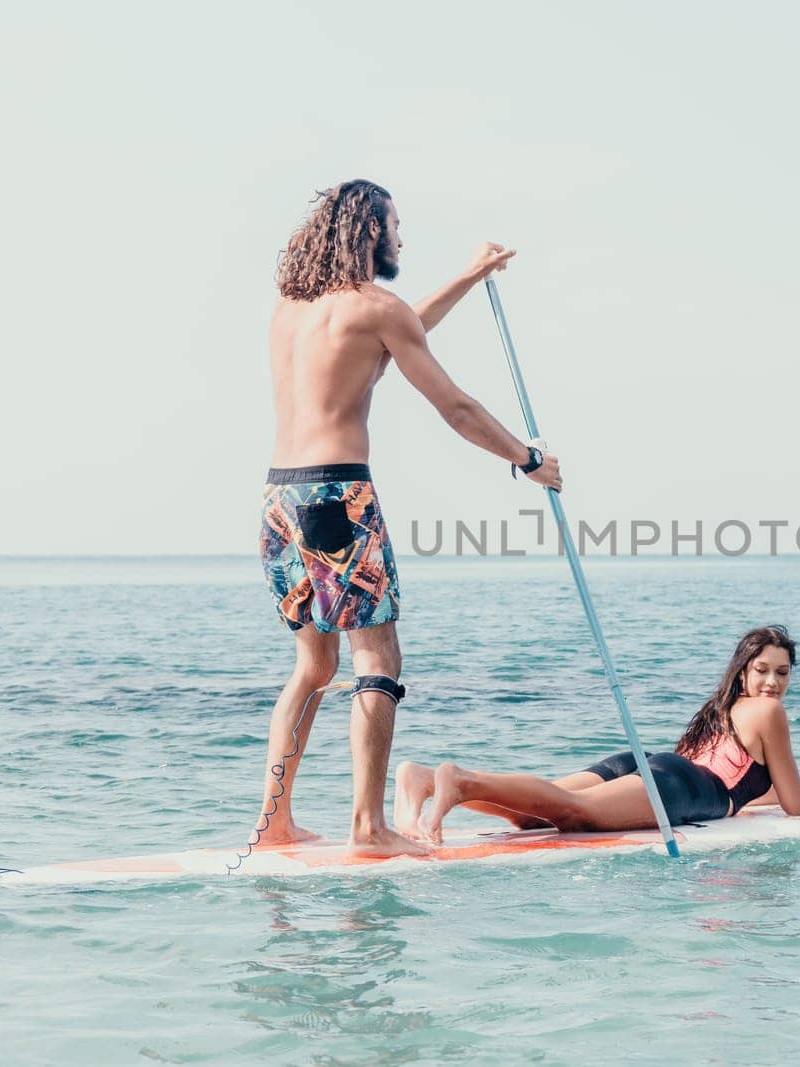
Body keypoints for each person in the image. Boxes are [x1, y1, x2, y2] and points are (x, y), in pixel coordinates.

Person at [257, 179, 563, 857]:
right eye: (395, 226)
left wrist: (466, 274)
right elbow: (454, 407)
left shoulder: (292, 309)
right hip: (338, 498)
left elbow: (398, 333)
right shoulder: (377, 309)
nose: (401, 238)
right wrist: (526, 457)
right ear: (370, 231)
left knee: (312, 665)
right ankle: (369, 827)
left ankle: (272, 821)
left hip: (279, 501)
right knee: (379, 657)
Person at [393, 626, 800, 844]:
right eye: (763, 670)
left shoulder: (720, 710)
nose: (773, 683)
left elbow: (747, 792)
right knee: (576, 815)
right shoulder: (768, 712)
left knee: (535, 816)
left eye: (783, 673)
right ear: (742, 671)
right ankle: (459, 782)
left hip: (649, 767)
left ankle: (429, 780)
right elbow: (796, 803)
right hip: (678, 786)